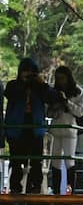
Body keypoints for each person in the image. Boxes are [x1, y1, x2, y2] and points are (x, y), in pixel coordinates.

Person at [5, 57, 54, 194]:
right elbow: (11, 93)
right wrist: (24, 82)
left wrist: (42, 83)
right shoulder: (13, 85)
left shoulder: (39, 88)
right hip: (17, 127)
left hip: (35, 127)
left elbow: (51, 98)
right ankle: (15, 187)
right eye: (26, 71)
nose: (29, 74)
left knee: (36, 160)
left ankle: (35, 187)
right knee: (16, 160)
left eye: (33, 72)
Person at [47, 66, 83, 194]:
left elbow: (80, 112)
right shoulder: (53, 91)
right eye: (57, 79)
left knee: (69, 160)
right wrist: (55, 105)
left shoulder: (78, 91)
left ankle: (71, 190)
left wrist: (66, 102)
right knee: (55, 161)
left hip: (70, 128)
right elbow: (48, 113)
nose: (60, 81)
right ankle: (56, 191)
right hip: (56, 129)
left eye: (62, 78)